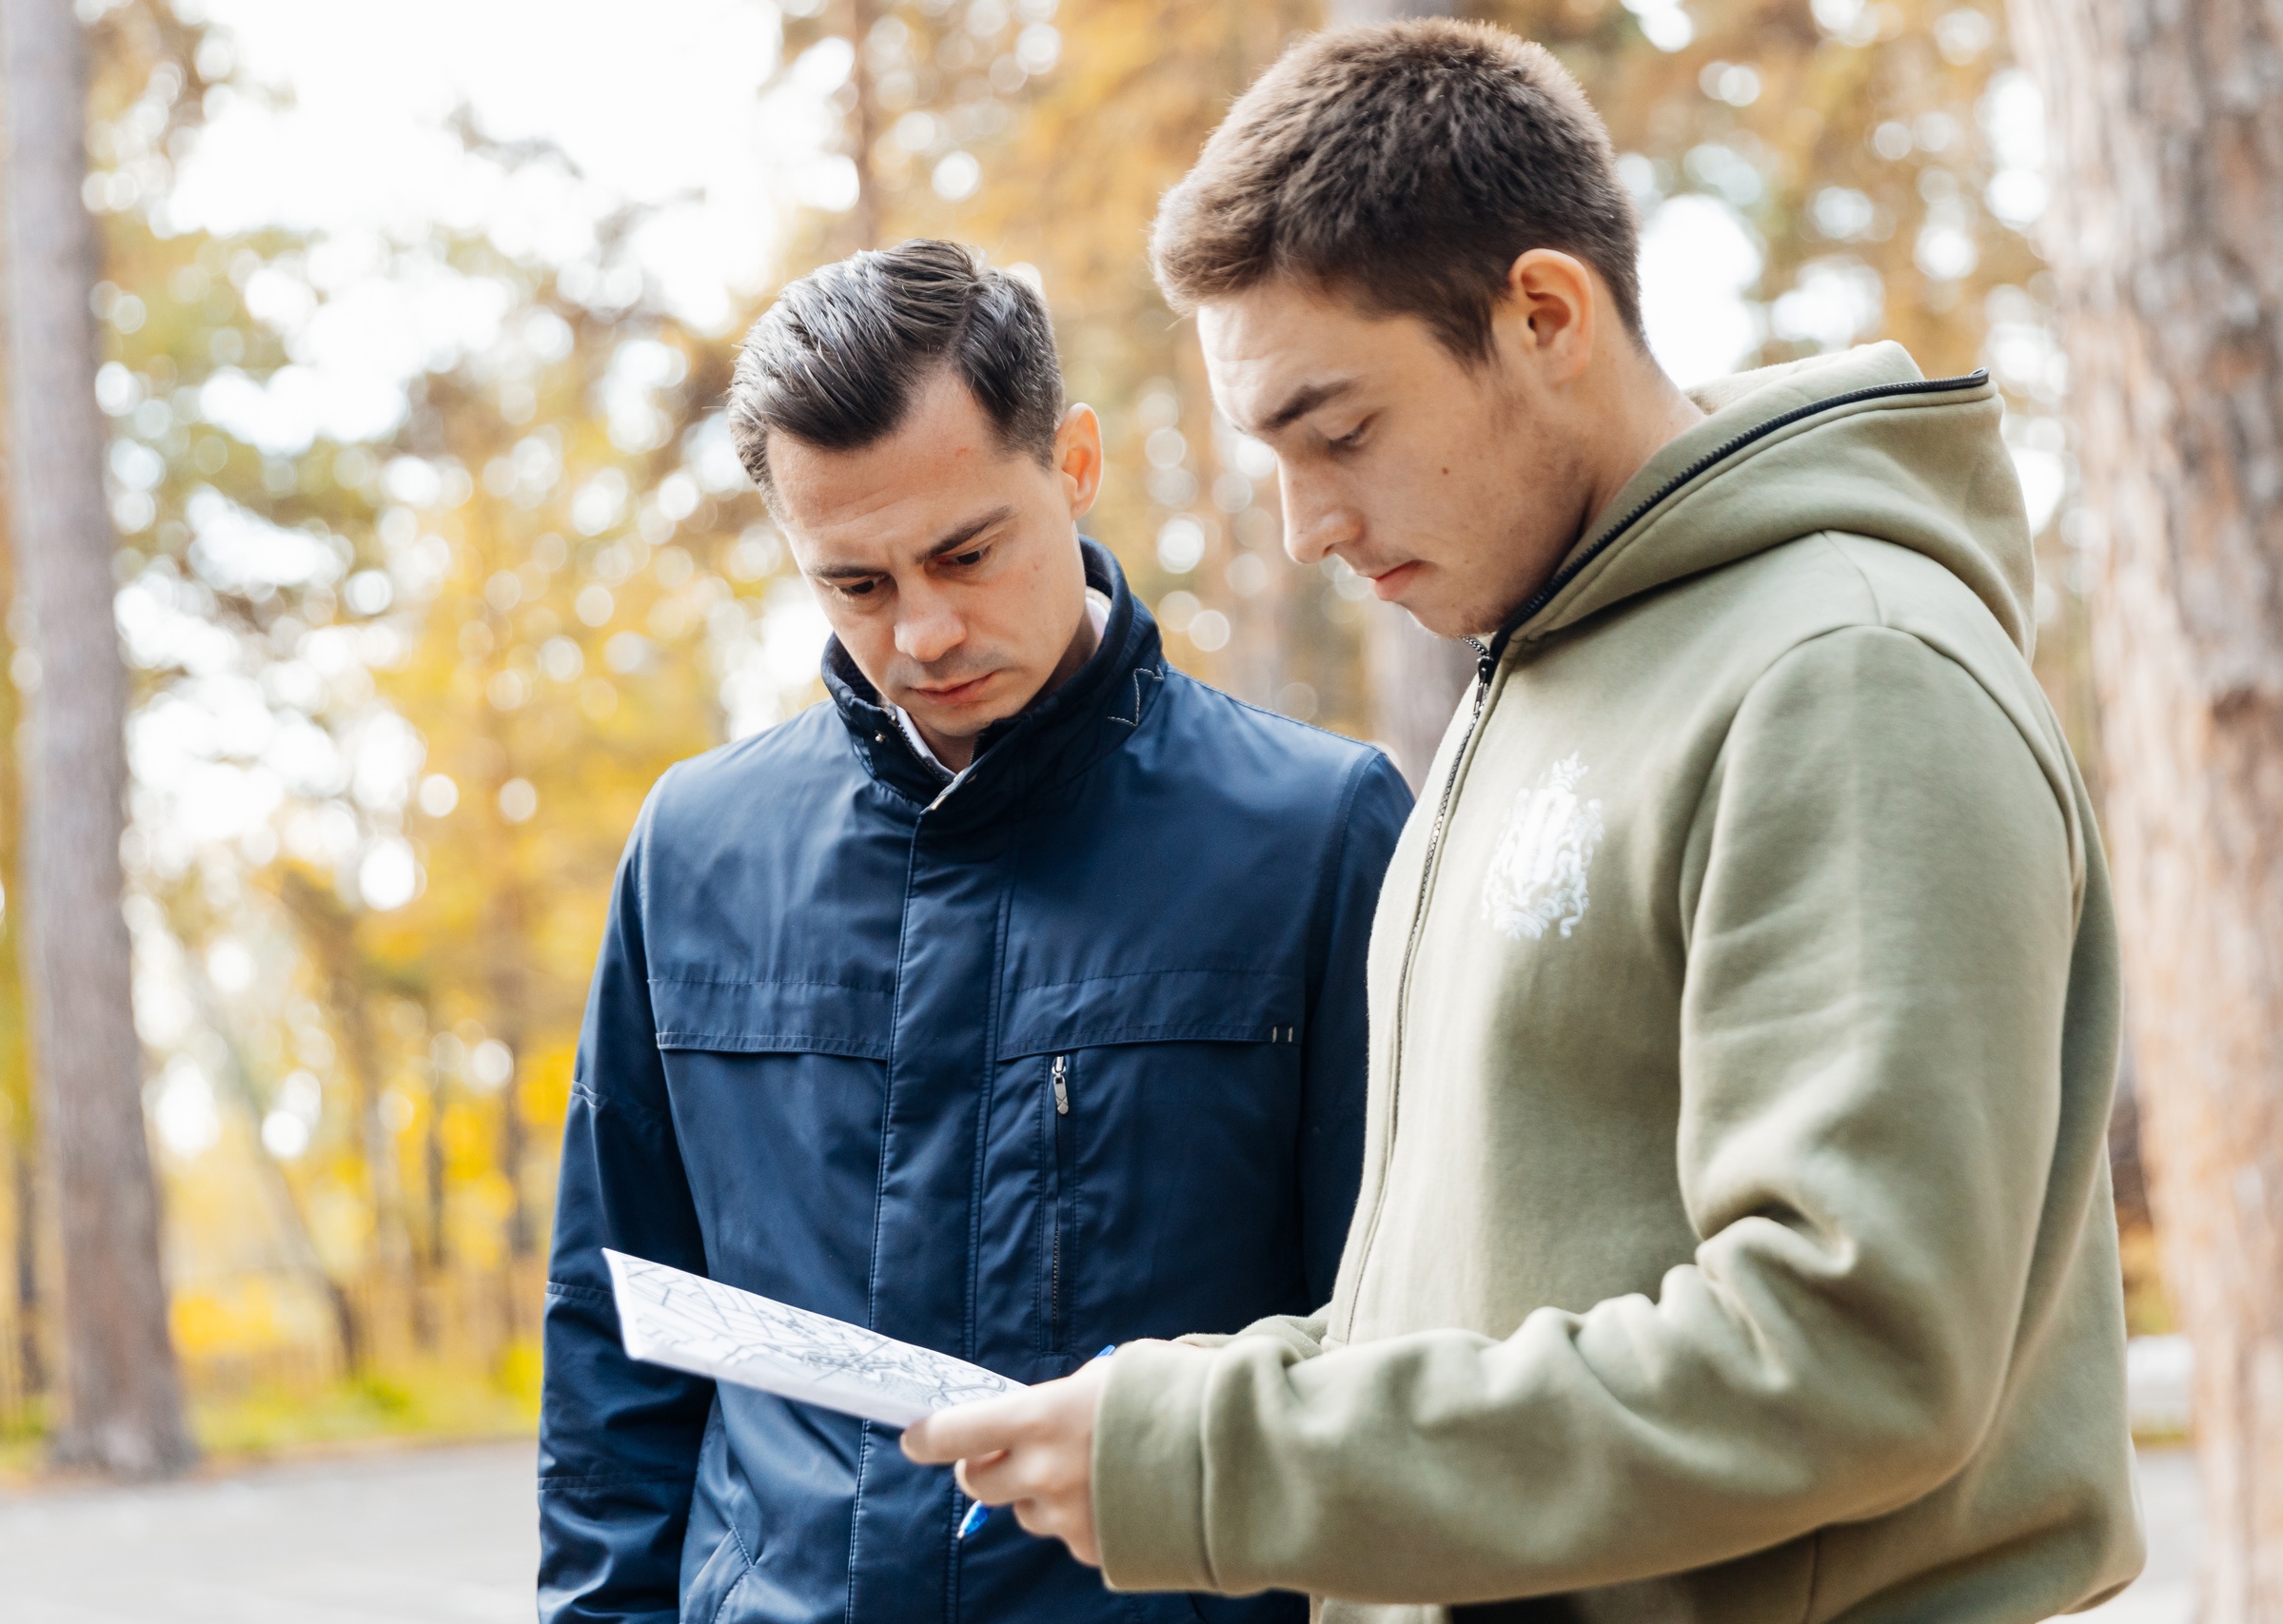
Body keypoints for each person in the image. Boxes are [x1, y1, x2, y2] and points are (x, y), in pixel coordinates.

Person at [902, 21, 2144, 1624]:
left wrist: (1230, 1461)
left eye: (1337, 432)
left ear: (1544, 313)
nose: (1303, 525)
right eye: (1269, 456)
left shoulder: (1848, 675)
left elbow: (1854, 1349)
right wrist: (1189, 1405)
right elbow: (1473, 1303)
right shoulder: (1545, 676)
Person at [537, 239, 1413, 1623]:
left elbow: (1391, 1348)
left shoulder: (1318, 836)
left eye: (966, 552)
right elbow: (614, 1349)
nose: (926, 633)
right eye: (857, 584)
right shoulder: (695, 851)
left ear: (1071, 463)